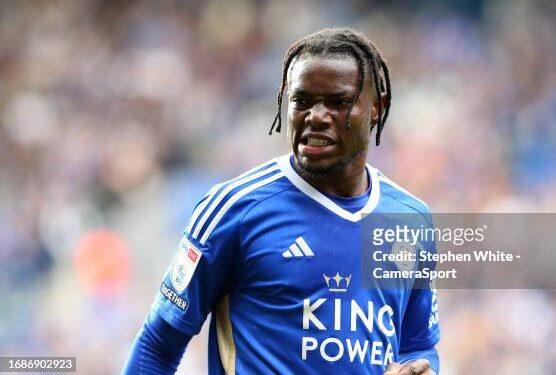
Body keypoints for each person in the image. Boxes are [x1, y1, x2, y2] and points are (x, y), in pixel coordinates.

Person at [123, 28, 440, 375]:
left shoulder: (410, 219)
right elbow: (157, 344)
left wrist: (421, 370)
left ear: (376, 109)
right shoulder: (235, 210)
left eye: (338, 102)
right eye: (302, 100)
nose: (316, 116)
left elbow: (418, 344)